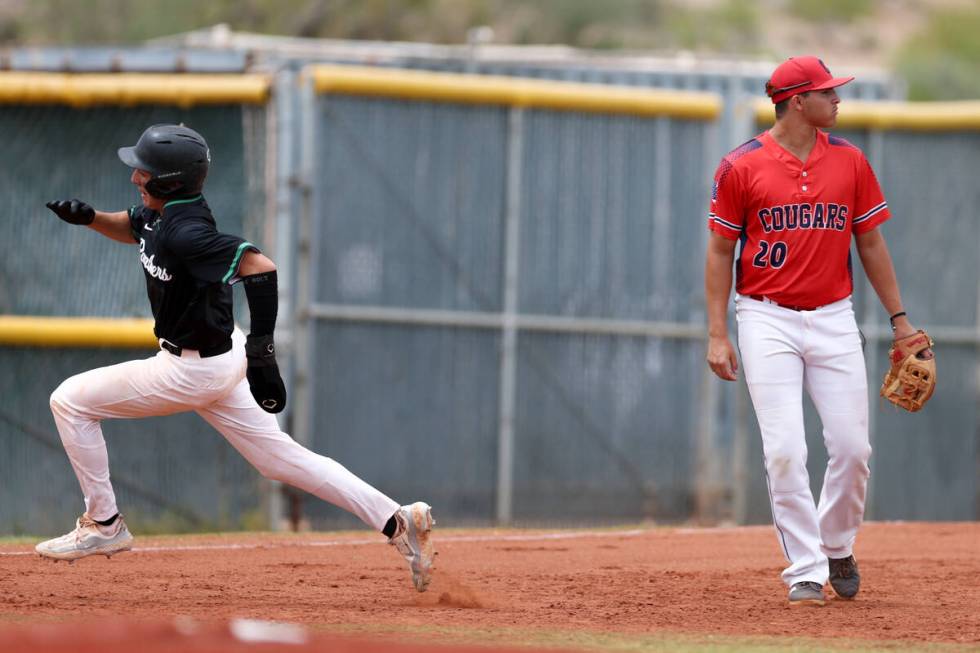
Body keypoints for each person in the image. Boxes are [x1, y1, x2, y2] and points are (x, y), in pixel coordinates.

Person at [36, 123, 436, 593]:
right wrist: (90, 219)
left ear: (167, 182)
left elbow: (260, 268)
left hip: (192, 369)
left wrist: (262, 350)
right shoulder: (164, 213)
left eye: (142, 172)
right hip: (215, 362)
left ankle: (104, 524)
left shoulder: (186, 230)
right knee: (280, 460)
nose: (134, 178)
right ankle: (397, 519)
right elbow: (134, 228)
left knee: (70, 402)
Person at [704, 56, 932, 606]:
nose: (837, 100)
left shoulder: (850, 161)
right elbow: (720, 250)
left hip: (833, 315)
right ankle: (805, 568)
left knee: (853, 449)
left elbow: (870, 244)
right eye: (827, 93)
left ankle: (836, 544)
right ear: (797, 101)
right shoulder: (741, 166)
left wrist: (901, 323)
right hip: (765, 316)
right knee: (784, 450)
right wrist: (717, 331)